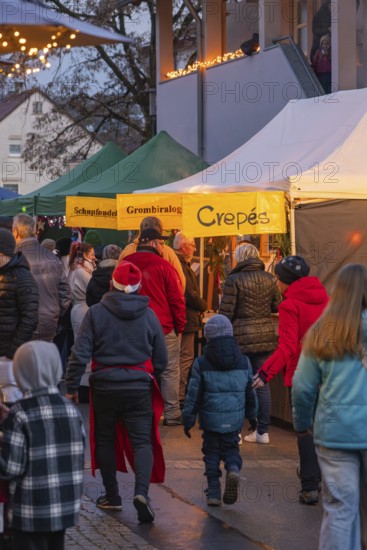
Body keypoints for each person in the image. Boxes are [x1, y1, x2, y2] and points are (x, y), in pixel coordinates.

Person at [65, 261, 168, 523]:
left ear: (112, 284)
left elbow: (80, 352)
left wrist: (71, 386)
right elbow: (162, 359)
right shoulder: (149, 315)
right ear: (137, 287)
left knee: (105, 440)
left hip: (104, 387)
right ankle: (141, 492)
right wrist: (150, 375)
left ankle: (112, 496)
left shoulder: (96, 313)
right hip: (138, 386)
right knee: (142, 441)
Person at [292, 263, 367, 550]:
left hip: (335, 433)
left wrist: (301, 424)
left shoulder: (322, 331)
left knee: (339, 508)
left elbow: (302, 386)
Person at [253, 255, 328, 504]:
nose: (277, 283)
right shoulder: (327, 301)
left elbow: (286, 348)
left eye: (278, 279)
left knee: (306, 431)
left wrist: (264, 373)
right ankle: (323, 480)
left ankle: (310, 486)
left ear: (285, 282)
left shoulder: (289, 306)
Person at [0, 341, 85, 550]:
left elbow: (11, 468)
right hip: (64, 507)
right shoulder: (72, 410)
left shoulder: (20, 413)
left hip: (30, 510)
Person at [182, 315, 257, 507]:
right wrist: (253, 415)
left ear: (208, 336)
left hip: (211, 420)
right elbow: (250, 391)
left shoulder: (201, 362)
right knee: (232, 448)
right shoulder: (244, 361)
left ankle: (214, 491)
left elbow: (193, 394)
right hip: (234, 419)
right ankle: (233, 469)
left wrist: (188, 419)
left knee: (211, 453)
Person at [219, 242, 280, 444]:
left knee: (236, 384)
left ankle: (235, 433)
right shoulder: (271, 279)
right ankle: (263, 432)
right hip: (265, 336)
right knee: (262, 383)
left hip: (240, 338)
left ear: (240, 258)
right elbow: (276, 306)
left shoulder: (233, 280)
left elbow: (225, 313)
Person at [125, 228, 186, 425]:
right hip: (164, 327)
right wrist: (180, 326)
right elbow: (177, 300)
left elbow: (115, 292)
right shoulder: (164, 266)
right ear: (152, 243)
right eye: (161, 243)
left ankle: (138, 410)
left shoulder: (126, 264)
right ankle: (172, 412)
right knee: (169, 369)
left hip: (132, 326)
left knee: (137, 367)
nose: (163, 247)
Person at [12, 214, 71, 342]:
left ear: (15, 232)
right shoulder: (53, 258)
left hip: (21, 323)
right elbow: (66, 292)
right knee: (42, 359)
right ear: (34, 231)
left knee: (22, 360)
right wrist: (55, 313)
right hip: (49, 322)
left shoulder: (13, 258)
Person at [0, 228, 39, 404]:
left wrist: (12, 350)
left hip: (9, 354)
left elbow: (30, 318)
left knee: (11, 401)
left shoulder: (23, 278)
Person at [173, 231, 207, 405]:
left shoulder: (180, 263)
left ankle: (178, 395)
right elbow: (189, 293)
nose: (194, 248)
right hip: (186, 318)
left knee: (183, 357)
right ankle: (179, 397)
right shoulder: (179, 265)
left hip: (186, 317)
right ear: (182, 245)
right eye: (192, 244)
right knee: (185, 357)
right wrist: (203, 305)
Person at [119, 216, 186, 291]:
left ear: (141, 231)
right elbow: (180, 283)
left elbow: (118, 279)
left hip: (131, 299)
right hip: (160, 300)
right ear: (160, 231)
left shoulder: (128, 251)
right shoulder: (168, 253)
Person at [68, 241, 96, 337]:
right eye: (92, 255)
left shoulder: (75, 267)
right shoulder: (81, 270)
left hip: (79, 309)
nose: (94, 257)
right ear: (85, 255)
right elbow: (93, 288)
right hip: (83, 310)